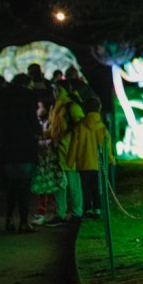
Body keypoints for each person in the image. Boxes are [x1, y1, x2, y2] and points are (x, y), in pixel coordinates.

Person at [0, 74, 41, 233]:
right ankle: (23, 222)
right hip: (25, 148)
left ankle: (9, 219)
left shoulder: (3, 100)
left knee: (12, 187)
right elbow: (35, 126)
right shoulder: (28, 100)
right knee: (23, 187)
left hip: (7, 149)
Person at [45, 84, 83, 226]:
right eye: (54, 89)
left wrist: (63, 137)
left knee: (73, 185)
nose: (55, 92)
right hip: (58, 151)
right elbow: (53, 128)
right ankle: (61, 213)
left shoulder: (70, 106)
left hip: (69, 151)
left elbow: (79, 126)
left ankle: (76, 213)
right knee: (60, 185)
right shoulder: (56, 107)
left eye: (58, 89)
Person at [70, 97, 112, 220]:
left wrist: (69, 161)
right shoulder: (102, 127)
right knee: (96, 187)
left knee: (85, 188)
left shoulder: (79, 126)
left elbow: (73, 145)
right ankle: (97, 209)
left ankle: (87, 209)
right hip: (98, 163)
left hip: (83, 162)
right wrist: (110, 159)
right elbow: (107, 145)